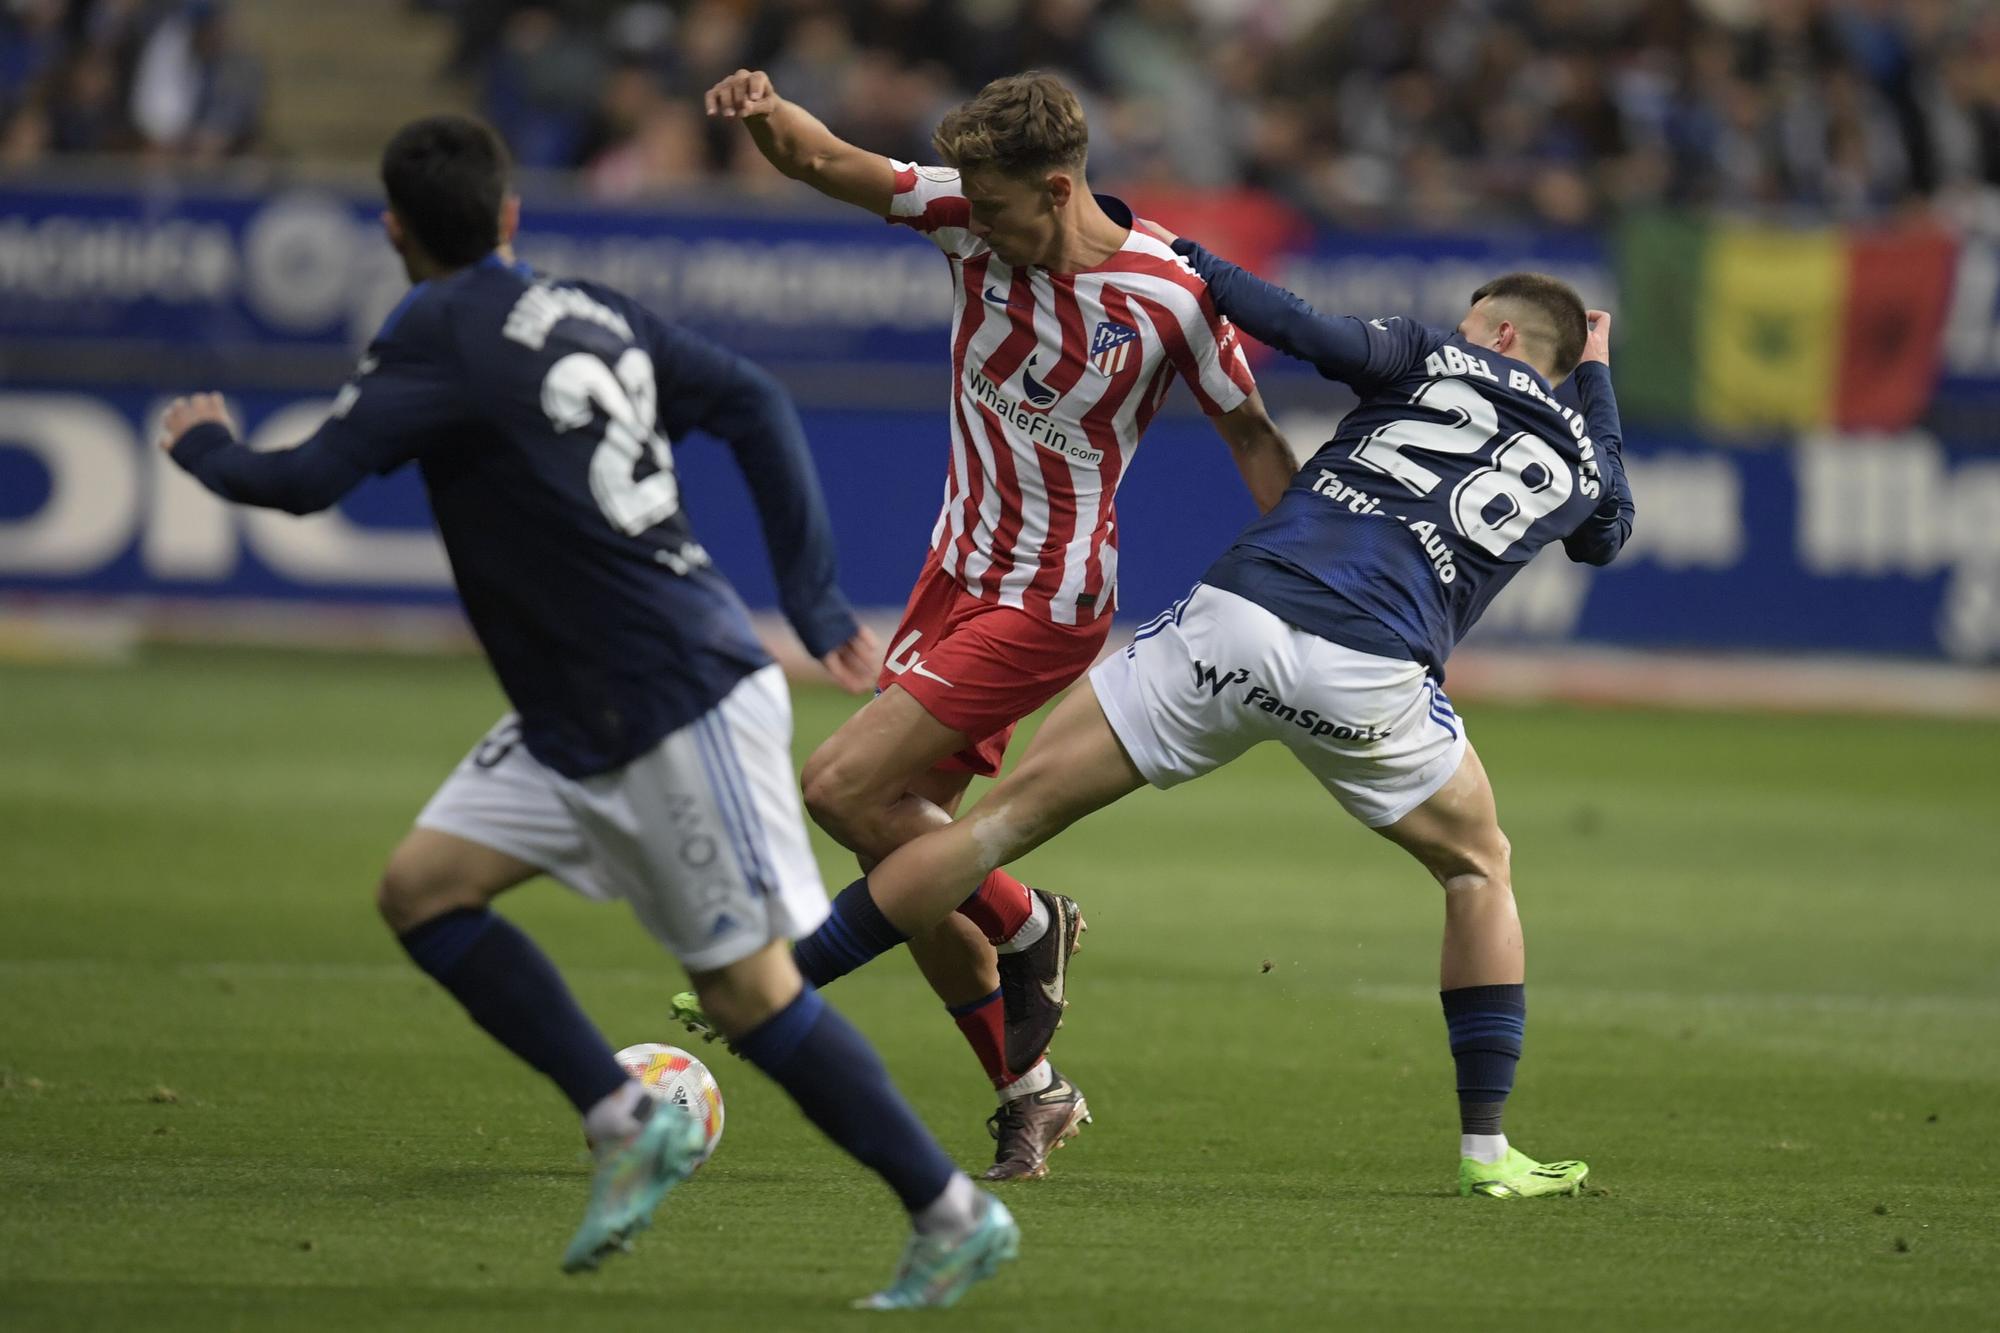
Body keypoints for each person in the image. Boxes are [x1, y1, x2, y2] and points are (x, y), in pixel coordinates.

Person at [156, 113, 1016, 1309]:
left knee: (749, 996)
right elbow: (756, 401)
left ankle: (951, 1212)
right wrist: (814, 598)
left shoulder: (433, 330)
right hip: (579, 708)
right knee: (422, 889)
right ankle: (624, 1117)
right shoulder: (586, 306)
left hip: (671, 703)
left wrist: (202, 447)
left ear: (397, 233)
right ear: (510, 218)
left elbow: (302, 481)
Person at [777, 239, 1636, 1201]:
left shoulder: (1432, 355)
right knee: (1479, 867)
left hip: (1237, 620)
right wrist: (1594, 379)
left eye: (1478, 322)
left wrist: (1192, 260)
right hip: (1373, 673)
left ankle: (773, 987)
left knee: (990, 826)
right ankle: (1489, 1153)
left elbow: (1299, 327)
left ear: (1503, 332)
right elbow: (1608, 531)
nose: (1465, 333)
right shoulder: (1577, 460)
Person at [693, 67, 1299, 1180]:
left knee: (839, 787)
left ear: (1059, 188)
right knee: (898, 832)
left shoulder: (1169, 296)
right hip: (951, 581)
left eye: (997, 209)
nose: (974, 224)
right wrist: (765, 112)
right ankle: (1030, 1090)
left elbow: (1253, 436)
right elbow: (826, 162)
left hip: (1049, 601)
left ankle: (1026, 922)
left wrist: (1316, 577)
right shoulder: (968, 219)